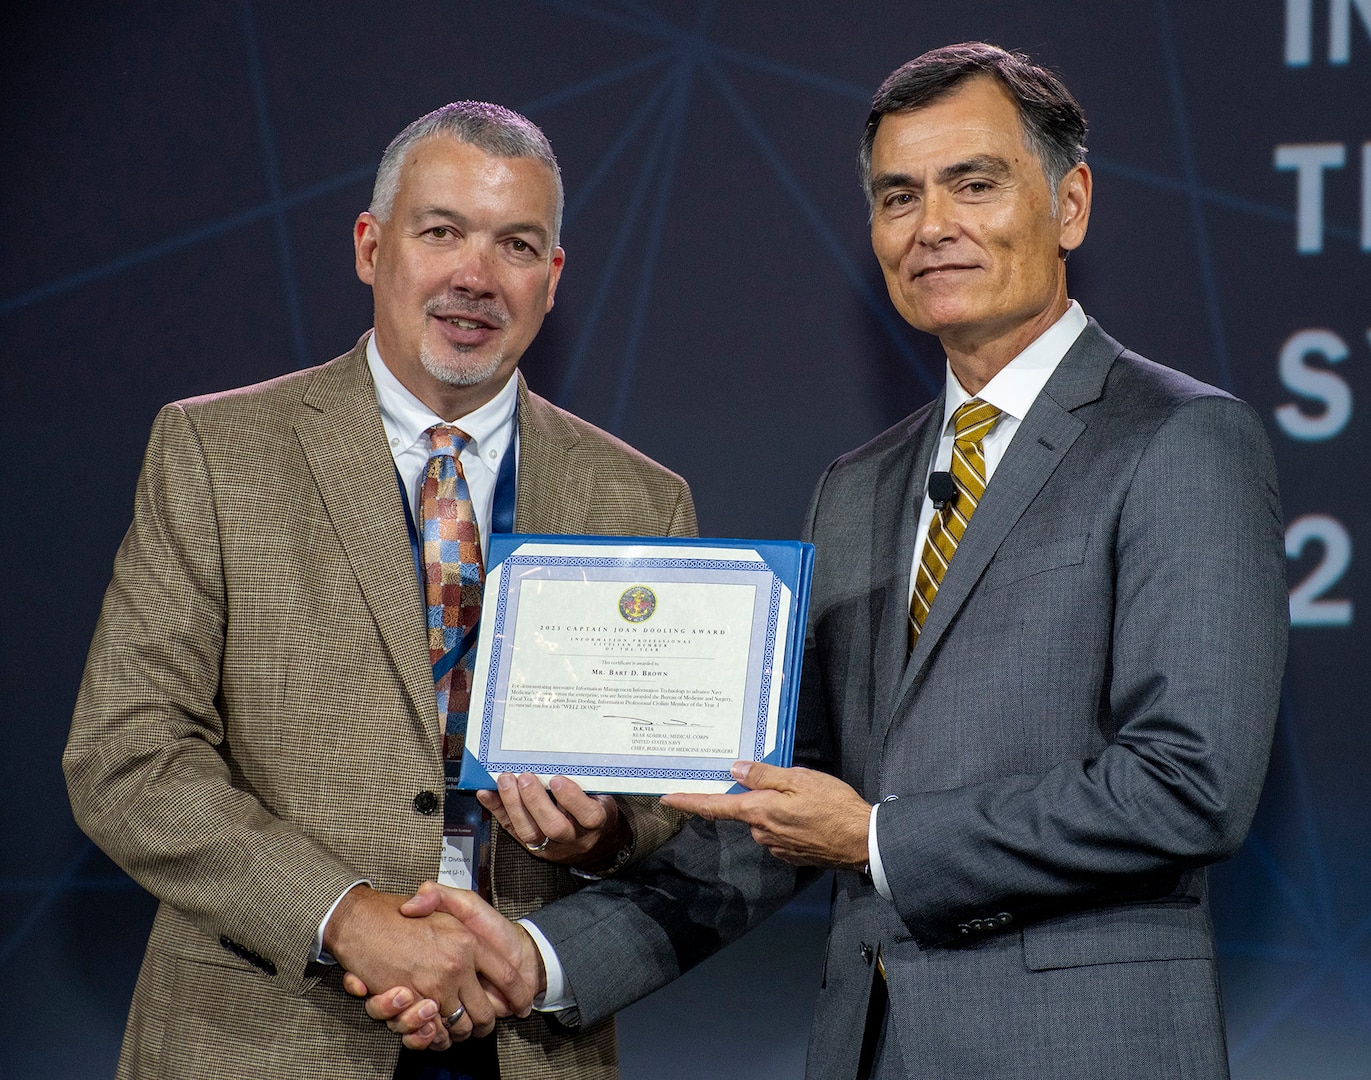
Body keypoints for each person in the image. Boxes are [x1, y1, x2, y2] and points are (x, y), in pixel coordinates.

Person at [365, 42, 1288, 1079]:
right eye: (898, 197)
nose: (931, 226)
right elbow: (771, 811)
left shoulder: (1179, 439)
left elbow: (1190, 784)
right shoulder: (860, 486)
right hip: (868, 1047)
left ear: (1070, 205)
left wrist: (879, 839)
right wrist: (538, 958)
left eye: (972, 185)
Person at [63, 101, 696, 1080]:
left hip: (523, 1039)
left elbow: (668, 806)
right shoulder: (217, 451)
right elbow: (128, 756)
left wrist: (608, 830)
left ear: (553, 279)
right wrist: (345, 916)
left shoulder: (642, 499)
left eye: (516, 245)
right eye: (441, 231)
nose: (475, 278)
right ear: (371, 245)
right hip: (265, 1031)